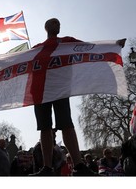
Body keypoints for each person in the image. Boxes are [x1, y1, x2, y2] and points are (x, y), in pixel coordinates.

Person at [30, 18, 93, 176]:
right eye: (53, 23)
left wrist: (113, 45)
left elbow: (90, 48)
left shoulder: (67, 42)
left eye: (58, 23)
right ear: (46, 27)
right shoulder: (37, 48)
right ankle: (47, 167)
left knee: (66, 124)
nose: (57, 25)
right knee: (44, 128)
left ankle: (78, 165)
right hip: (41, 90)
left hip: (60, 88)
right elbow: (18, 60)